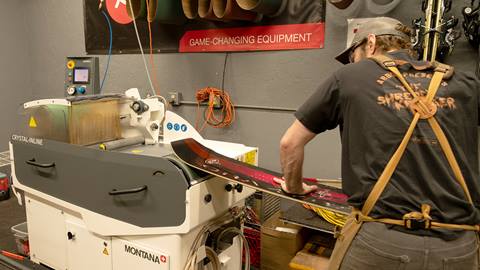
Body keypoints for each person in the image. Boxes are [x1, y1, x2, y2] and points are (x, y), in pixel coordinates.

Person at [274, 17, 480, 269]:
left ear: (370, 43)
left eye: (353, 55)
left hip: (381, 242)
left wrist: (294, 187)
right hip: (459, 245)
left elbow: (289, 143)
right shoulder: (466, 82)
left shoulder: (348, 77)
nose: (354, 62)